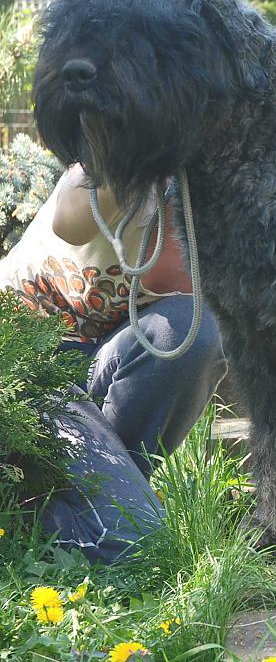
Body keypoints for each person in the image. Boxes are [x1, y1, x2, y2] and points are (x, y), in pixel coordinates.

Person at [0, 164, 227, 563]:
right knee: (134, 544)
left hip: (98, 364)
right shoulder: (131, 163)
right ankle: (27, 503)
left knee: (195, 332)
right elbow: (68, 218)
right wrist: (125, 161)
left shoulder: (241, 196)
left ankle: (111, 498)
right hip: (28, 367)